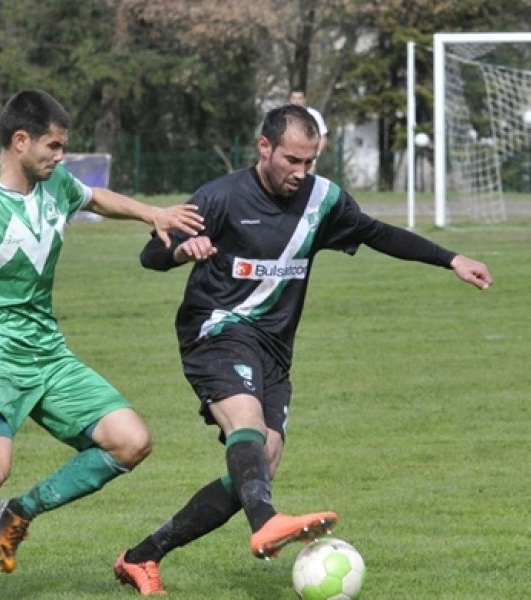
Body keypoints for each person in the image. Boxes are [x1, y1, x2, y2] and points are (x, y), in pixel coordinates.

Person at [112, 104, 492, 596]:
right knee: (245, 427)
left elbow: (377, 233)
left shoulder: (323, 200)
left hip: (274, 349)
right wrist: (181, 251)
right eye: (292, 160)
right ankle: (266, 522)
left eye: (310, 161)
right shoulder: (220, 197)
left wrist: (451, 258)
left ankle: (142, 557)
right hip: (217, 331)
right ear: (264, 147)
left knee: (256, 467)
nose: (301, 172)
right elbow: (151, 253)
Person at [0, 89, 204, 600]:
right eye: (52, 146)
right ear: (20, 140)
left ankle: (19, 511)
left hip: (46, 350)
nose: (60, 157)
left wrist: (152, 214)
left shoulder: (56, 185)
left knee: (131, 440)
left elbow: (95, 197)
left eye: (63, 148)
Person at [289, 87, 328, 172]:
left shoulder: (314, 115)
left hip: (306, 160)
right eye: (294, 98)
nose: (296, 101)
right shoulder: (284, 116)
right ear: (290, 99)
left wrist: (314, 157)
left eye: (299, 98)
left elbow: (323, 137)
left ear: (305, 100)